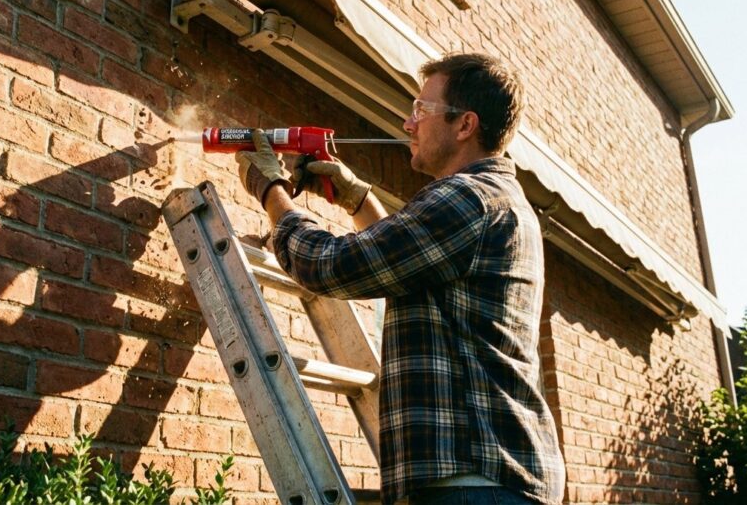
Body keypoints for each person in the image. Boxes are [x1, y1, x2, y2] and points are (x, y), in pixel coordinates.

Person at [235, 53, 565, 505]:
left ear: (465, 125)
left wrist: (270, 191)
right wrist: (355, 198)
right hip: (491, 478)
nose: (409, 124)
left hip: (474, 482)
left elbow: (330, 266)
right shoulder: (498, 199)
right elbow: (410, 267)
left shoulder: (468, 198)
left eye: (421, 111)